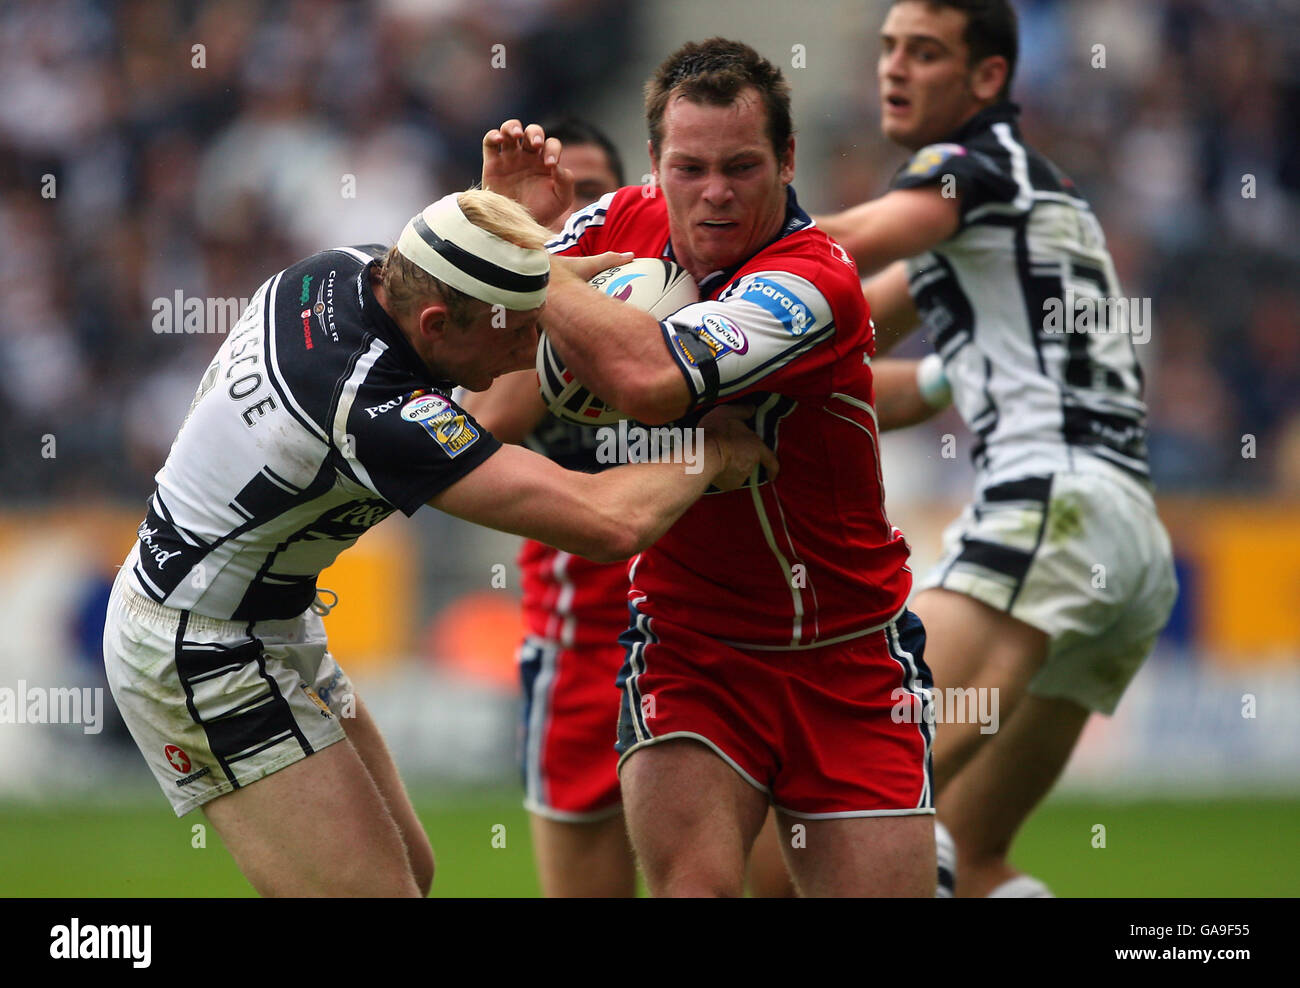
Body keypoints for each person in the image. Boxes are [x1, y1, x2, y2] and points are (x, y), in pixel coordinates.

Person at [102, 187, 775, 898]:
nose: (531, 350)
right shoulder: (372, 408)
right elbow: (606, 522)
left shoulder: (345, 270)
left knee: (409, 872)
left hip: (257, 617)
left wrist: (537, 248)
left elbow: (475, 277)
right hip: (198, 648)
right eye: (516, 332)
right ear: (435, 323)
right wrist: (706, 455)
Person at [483, 38, 936, 897]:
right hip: (694, 648)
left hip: (849, 656)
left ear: (788, 160)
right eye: (689, 167)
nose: (716, 191)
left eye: (742, 165)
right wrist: (500, 240)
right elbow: (483, 388)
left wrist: (520, 256)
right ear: (654, 163)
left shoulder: (816, 280)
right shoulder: (619, 219)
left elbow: (653, 381)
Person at [811, 0, 1178, 897]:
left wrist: (680, 254)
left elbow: (839, 252)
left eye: (926, 53)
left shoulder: (968, 170)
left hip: (1050, 508)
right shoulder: (1009, 199)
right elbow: (851, 350)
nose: (894, 68)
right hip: (1120, 544)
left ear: (988, 79)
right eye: (890, 47)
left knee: (848, 796)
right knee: (969, 861)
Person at [460, 117, 639, 897]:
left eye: (594, 198)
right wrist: (537, 272)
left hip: (715, 628)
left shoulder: (682, 294)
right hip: (586, 643)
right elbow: (487, 423)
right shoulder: (509, 326)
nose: (575, 220)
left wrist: (942, 382)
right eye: (551, 205)